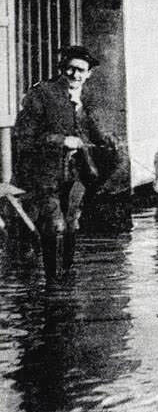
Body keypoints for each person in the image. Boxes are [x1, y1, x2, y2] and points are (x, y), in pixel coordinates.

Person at [13, 45, 113, 278]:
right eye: (70, 69)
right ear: (62, 69)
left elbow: (95, 135)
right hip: (45, 174)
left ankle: (65, 282)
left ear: (89, 74)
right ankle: (51, 284)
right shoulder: (42, 94)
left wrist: (106, 142)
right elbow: (22, 137)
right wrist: (61, 140)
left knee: (70, 226)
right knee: (54, 226)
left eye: (81, 71)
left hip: (76, 175)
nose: (75, 75)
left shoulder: (88, 98)